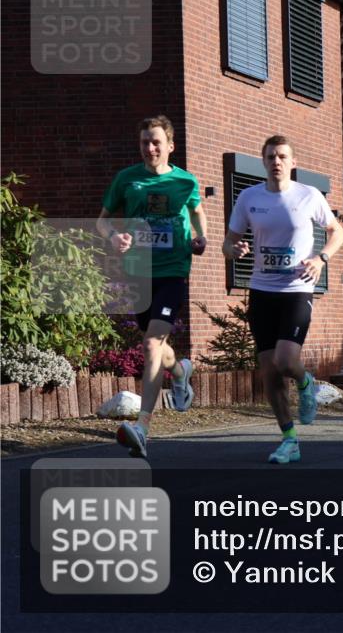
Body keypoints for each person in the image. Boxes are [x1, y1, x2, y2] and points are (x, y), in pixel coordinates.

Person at [223, 135, 343, 464]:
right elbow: (228, 243)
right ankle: (289, 438)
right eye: (270, 157)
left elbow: (337, 232)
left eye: (282, 157)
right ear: (264, 162)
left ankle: (306, 384)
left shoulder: (309, 196)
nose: (276, 162)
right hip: (262, 291)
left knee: (286, 360)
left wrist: (321, 258)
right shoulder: (249, 198)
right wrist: (234, 250)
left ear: (292, 163)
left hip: (296, 289)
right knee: (269, 371)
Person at [97, 115, 207, 459]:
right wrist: (115, 237)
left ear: (170, 146)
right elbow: (102, 220)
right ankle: (180, 370)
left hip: (172, 270)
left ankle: (143, 427)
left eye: (156, 141)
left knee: (149, 344)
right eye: (145, 141)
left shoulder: (185, 181)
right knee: (157, 348)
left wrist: (200, 238)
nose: (150, 147)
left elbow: (198, 213)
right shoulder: (126, 180)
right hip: (139, 272)